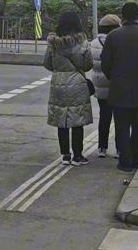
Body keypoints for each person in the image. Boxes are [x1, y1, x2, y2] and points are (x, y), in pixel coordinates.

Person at [101, 2, 138, 172]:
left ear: (122, 17)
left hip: (119, 88)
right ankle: (136, 155)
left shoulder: (113, 36)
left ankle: (125, 160)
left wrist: (113, 77)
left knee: (121, 126)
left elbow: (105, 63)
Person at [43, 12, 94, 166]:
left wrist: (59, 70)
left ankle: (65, 155)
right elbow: (88, 65)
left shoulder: (53, 43)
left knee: (61, 120)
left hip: (58, 84)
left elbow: (47, 64)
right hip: (77, 83)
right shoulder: (83, 42)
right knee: (77, 120)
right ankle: (78, 155)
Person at [90, 14, 122, 158]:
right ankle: (119, 148)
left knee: (104, 116)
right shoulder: (117, 40)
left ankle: (102, 148)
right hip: (116, 83)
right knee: (120, 117)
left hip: (100, 84)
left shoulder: (94, 43)